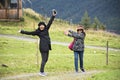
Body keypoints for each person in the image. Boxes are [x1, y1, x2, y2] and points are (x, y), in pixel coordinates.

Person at [19, 9, 57, 76]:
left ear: (44, 26)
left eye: (42, 25)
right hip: (43, 47)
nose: (41, 26)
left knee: (46, 60)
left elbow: (50, 22)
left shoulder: (46, 29)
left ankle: (42, 71)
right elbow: (30, 33)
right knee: (44, 60)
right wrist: (22, 31)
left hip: (47, 46)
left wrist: (53, 15)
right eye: (40, 25)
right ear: (39, 26)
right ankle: (41, 72)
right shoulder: (38, 32)